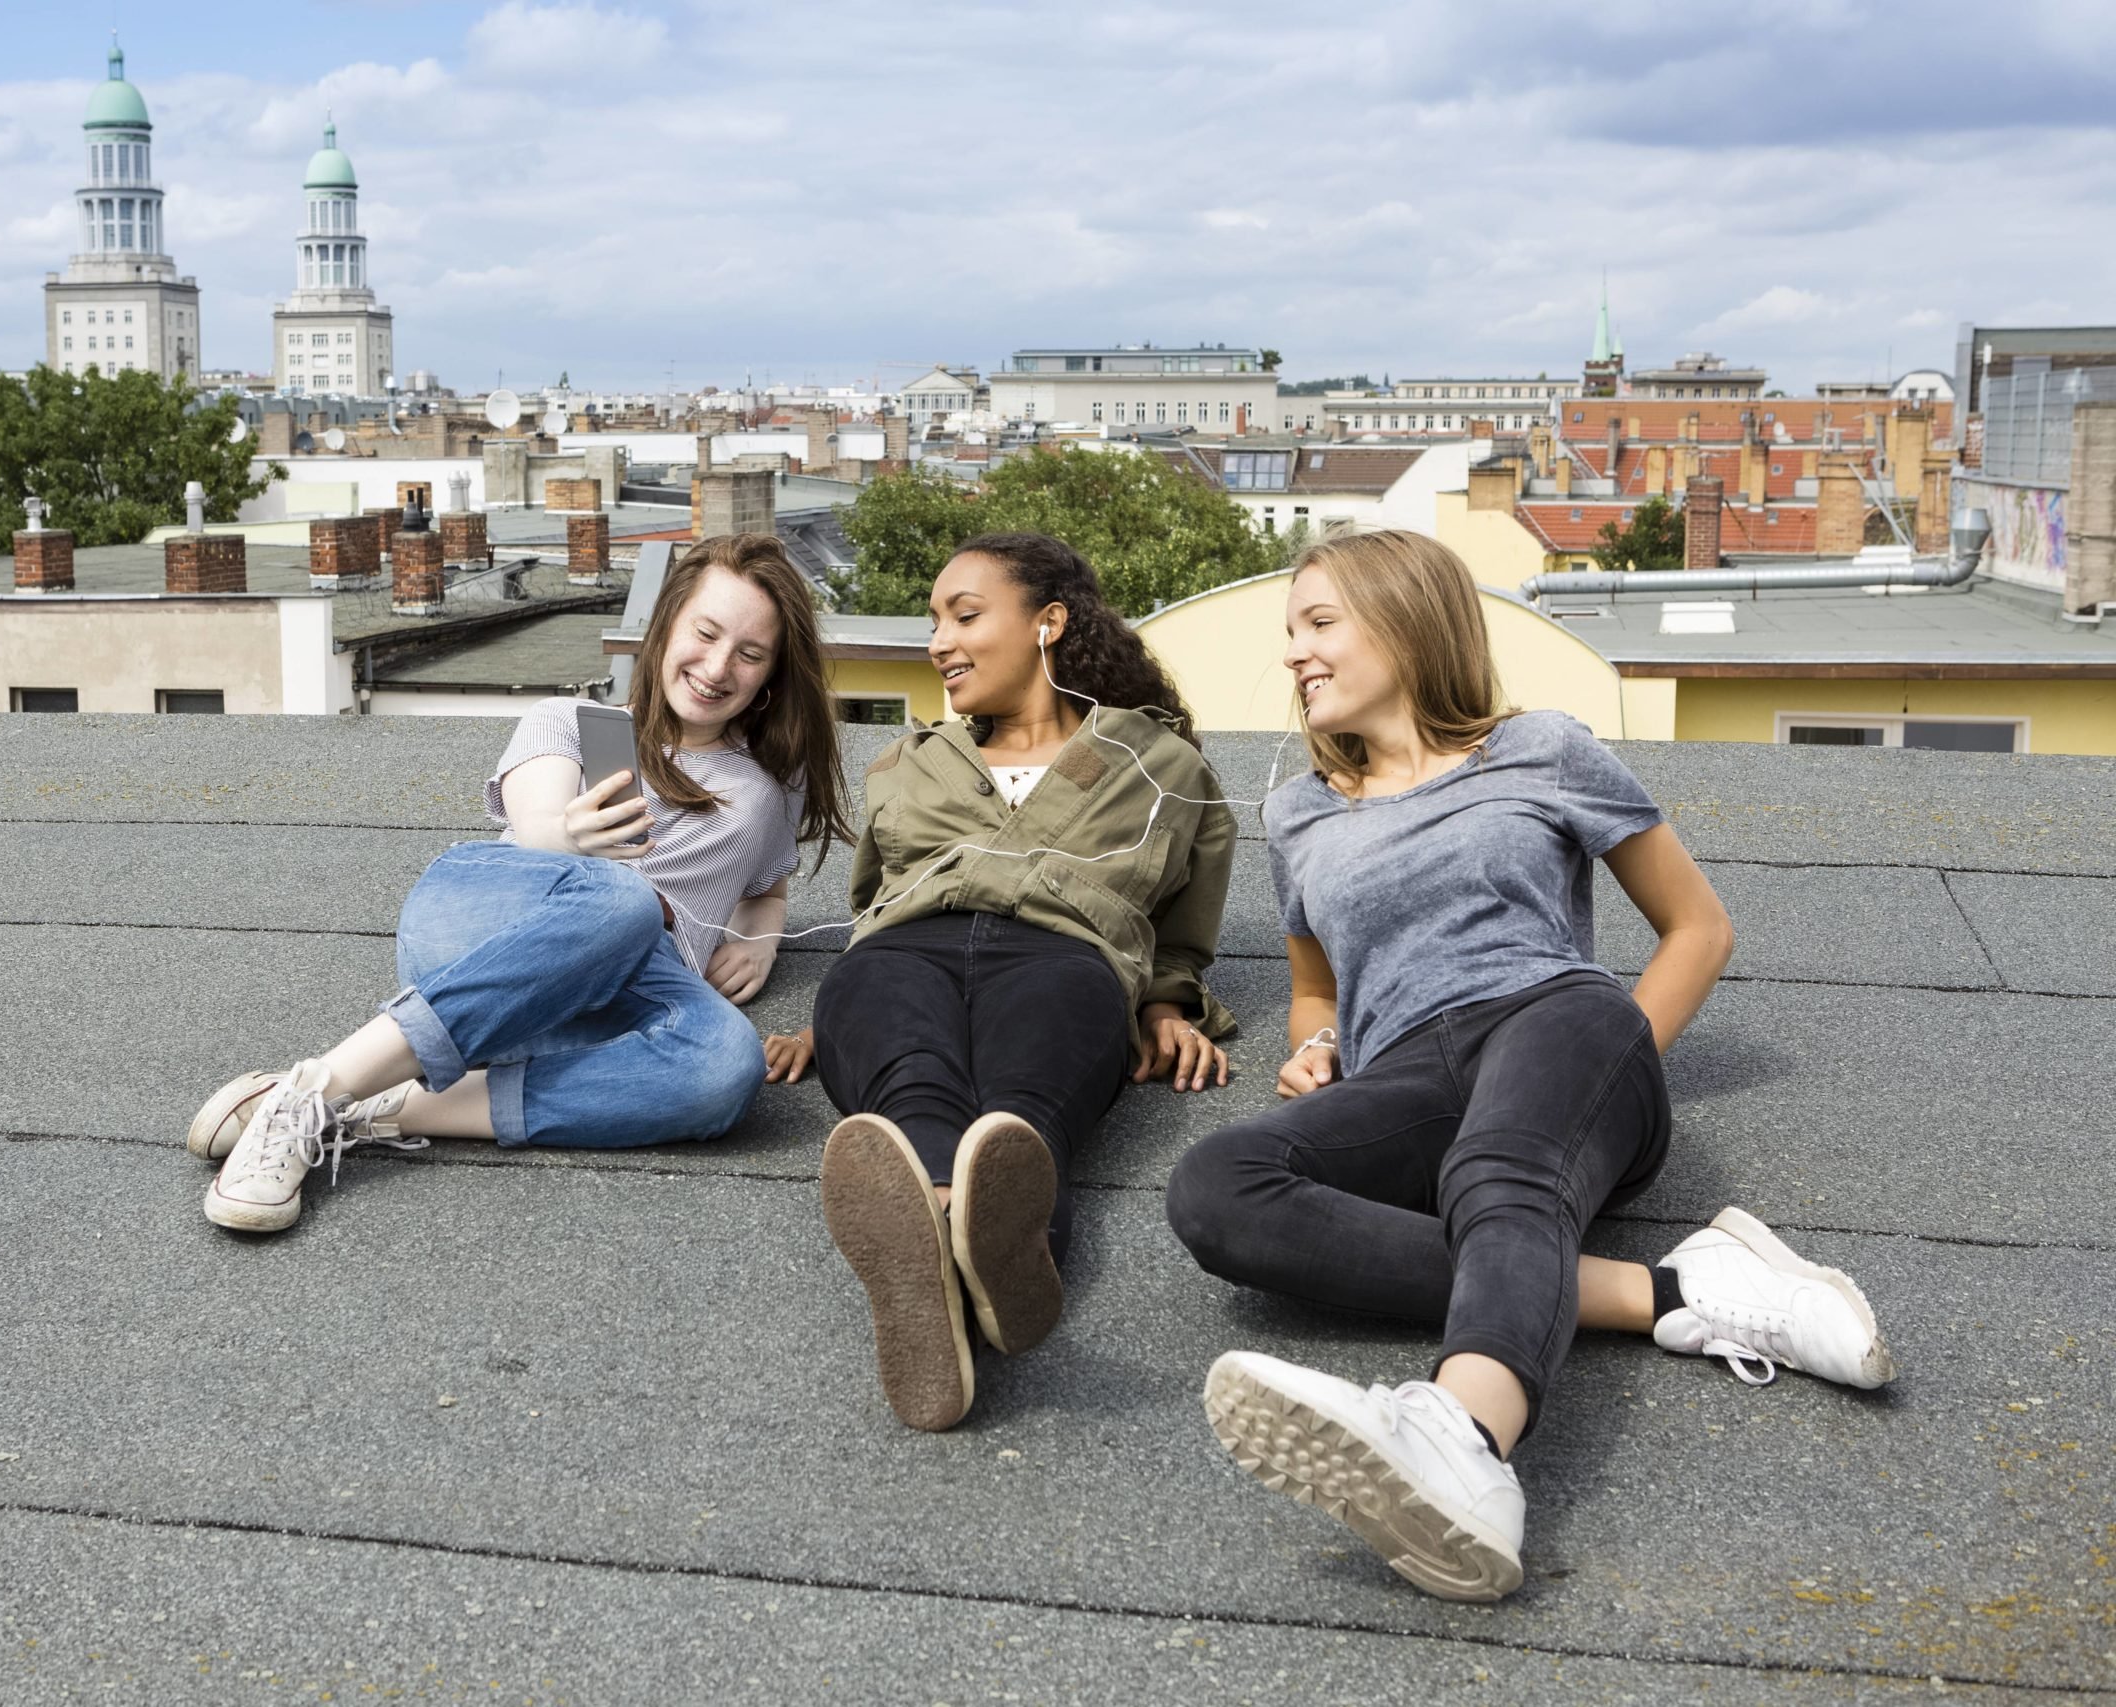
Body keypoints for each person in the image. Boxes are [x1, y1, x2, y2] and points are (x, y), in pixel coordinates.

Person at [1166, 529, 1894, 1603]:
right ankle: (1681, 1293)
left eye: (1318, 623)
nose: (1293, 653)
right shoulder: (1298, 813)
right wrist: (1315, 1044)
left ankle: (1463, 1443)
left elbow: (1697, 928)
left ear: (1406, 622)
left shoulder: (1539, 748)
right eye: (1290, 630)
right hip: (1403, 1078)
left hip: (1555, 1023)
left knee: (1499, 1172)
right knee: (1212, 1187)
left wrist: (1610, 1068)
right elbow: (1317, 986)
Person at [190, 532, 849, 1233]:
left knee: (727, 1063)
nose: (718, 667)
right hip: (488, 923)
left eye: (749, 653)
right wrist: (573, 838)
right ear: (666, 629)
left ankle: (363, 1106)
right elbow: (536, 828)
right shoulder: (565, 719)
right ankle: (318, 1087)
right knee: (625, 898)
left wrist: (761, 940)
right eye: (705, 633)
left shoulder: (768, 785)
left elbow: (767, 886)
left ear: (773, 672)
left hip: (623, 994)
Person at [765, 532, 1239, 1432]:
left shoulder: (1160, 763)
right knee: (910, 1087)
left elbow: (1182, 920)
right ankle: (985, 1270)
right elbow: (875, 908)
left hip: (1062, 953)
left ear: (1048, 623)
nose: (939, 641)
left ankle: (933, 1276)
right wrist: (829, 1030)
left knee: (1017, 1121)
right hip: (901, 953)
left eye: (965, 615)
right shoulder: (908, 762)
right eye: (934, 621)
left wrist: (1167, 1002)